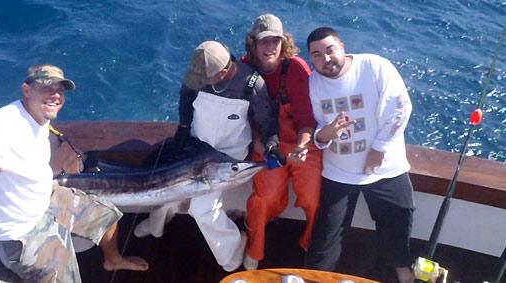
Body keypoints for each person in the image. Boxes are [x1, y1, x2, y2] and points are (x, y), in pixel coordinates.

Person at [0, 64, 148, 282]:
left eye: (61, 90)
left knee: (109, 216)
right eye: (47, 88)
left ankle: (112, 260)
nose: (56, 96)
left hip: (45, 197)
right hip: (20, 232)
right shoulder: (2, 126)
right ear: (26, 90)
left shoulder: (39, 116)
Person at [133, 41, 280, 272]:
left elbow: (267, 120)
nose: (198, 82)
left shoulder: (252, 84)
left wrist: (272, 145)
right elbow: (186, 97)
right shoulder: (198, 73)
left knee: (201, 209)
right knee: (166, 188)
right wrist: (183, 127)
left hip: (226, 156)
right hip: (196, 147)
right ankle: (156, 225)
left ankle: (231, 254)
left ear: (223, 72)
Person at [304, 27, 415, 283]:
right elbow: (318, 128)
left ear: (342, 47)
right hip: (339, 172)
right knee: (325, 237)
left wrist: (379, 149)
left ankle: (401, 269)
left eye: (330, 50)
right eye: (317, 55)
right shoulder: (313, 83)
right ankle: (315, 277)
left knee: (399, 215)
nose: (326, 59)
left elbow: (401, 109)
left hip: (386, 167)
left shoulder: (375, 67)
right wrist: (324, 135)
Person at [241, 14, 323, 270]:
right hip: (266, 142)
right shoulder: (243, 68)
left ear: (283, 42)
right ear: (253, 44)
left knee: (313, 197)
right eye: (263, 41)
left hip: (301, 140)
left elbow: (306, 118)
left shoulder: (296, 68)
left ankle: (311, 242)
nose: (270, 47)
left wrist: (302, 145)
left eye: (275, 40)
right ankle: (255, 248)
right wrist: (257, 140)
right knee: (264, 197)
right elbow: (246, 113)